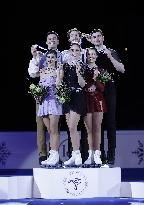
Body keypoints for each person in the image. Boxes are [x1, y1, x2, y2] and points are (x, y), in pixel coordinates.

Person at [84, 29, 125, 165]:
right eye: (94, 37)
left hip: (109, 88)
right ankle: (98, 153)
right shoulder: (89, 53)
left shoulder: (110, 51)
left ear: (102, 37)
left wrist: (110, 57)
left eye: (98, 36)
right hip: (95, 89)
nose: (96, 39)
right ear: (92, 39)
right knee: (96, 123)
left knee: (111, 122)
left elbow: (121, 69)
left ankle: (111, 154)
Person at [28, 31, 61, 165]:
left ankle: (56, 154)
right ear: (46, 42)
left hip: (56, 96)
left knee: (55, 127)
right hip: (43, 97)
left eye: (54, 39)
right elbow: (33, 74)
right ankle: (43, 155)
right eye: (49, 39)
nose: (52, 40)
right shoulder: (40, 57)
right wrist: (35, 57)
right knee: (43, 126)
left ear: (58, 41)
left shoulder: (63, 55)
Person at [62, 42, 87, 166]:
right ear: (69, 51)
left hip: (78, 96)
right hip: (67, 97)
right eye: (73, 50)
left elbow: (83, 84)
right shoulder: (65, 65)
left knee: (72, 126)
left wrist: (78, 72)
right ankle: (74, 154)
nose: (75, 53)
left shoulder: (82, 66)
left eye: (77, 50)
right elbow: (62, 81)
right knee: (71, 128)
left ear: (80, 52)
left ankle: (78, 155)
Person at [37, 50, 63, 166]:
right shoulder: (42, 71)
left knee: (54, 129)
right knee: (49, 130)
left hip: (54, 102)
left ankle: (55, 155)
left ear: (56, 59)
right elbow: (40, 88)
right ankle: (52, 155)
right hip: (43, 103)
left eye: (53, 57)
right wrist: (37, 94)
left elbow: (59, 85)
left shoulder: (59, 70)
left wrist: (58, 74)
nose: (50, 59)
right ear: (46, 59)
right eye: (48, 57)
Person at [84, 47, 107, 166]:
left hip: (98, 100)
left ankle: (97, 154)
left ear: (96, 56)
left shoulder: (101, 70)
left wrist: (96, 80)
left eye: (93, 54)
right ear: (86, 56)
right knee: (89, 129)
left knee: (97, 128)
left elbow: (102, 88)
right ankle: (90, 155)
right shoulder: (82, 69)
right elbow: (80, 84)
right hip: (87, 100)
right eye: (89, 54)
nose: (91, 56)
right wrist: (88, 85)